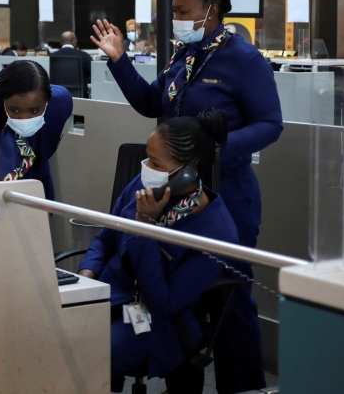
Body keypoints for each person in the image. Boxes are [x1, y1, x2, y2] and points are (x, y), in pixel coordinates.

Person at [91, 0, 282, 393]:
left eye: (182, 10)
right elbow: (149, 103)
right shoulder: (184, 56)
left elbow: (271, 124)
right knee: (182, 301)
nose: (174, 17)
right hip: (179, 187)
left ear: (210, 11)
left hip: (228, 194)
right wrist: (119, 60)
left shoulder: (244, 59)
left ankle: (243, 386)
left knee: (228, 302)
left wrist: (216, 146)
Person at [78, 109, 239, 393]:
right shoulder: (143, 187)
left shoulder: (216, 231)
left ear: (188, 170)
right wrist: (86, 279)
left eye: (155, 162)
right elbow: (106, 239)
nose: (146, 169)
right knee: (45, 334)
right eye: (147, 158)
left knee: (80, 360)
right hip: (108, 299)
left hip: (157, 325)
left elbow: (162, 303)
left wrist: (146, 226)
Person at [0, 60, 72, 199]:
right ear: (4, 100)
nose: (24, 118)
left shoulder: (60, 104)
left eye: (34, 110)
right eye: (14, 110)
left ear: (47, 101)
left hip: (38, 185)